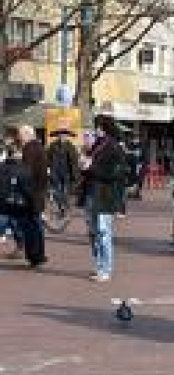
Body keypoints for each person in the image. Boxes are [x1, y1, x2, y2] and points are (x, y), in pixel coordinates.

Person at [79, 115, 129, 282]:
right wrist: (84, 166)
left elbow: (116, 174)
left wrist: (91, 167)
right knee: (93, 232)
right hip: (92, 193)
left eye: (99, 127)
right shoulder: (96, 146)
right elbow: (90, 169)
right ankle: (99, 264)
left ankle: (105, 268)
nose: (97, 130)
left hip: (105, 195)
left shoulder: (114, 147)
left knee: (103, 232)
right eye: (96, 127)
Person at [0, 143, 43, 267]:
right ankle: (33, 257)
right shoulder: (24, 169)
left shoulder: (1, 167)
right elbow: (27, 190)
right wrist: (35, 205)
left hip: (3, 206)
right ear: (18, 155)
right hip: (19, 206)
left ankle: (23, 250)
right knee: (25, 230)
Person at [12, 126, 47, 267]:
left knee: (31, 225)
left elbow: (27, 172)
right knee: (35, 224)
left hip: (30, 193)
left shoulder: (30, 149)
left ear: (27, 135)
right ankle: (37, 255)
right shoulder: (38, 147)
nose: (19, 138)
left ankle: (35, 256)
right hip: (37, 191)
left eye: (20, 135)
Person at [47, 129, 79, 213]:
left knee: (65, 190)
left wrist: (75, 173)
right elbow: (48, 157)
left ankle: (64, 206)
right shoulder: (53, 145)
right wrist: (48, 168)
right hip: (55, 171)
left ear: (67, 136)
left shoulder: (71, 146)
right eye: (61, 135)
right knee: (57, 190)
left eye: (64, 135)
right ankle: (61, 205)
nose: (62, 137)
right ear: (58, 136)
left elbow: (74, 160)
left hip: (67, 171)